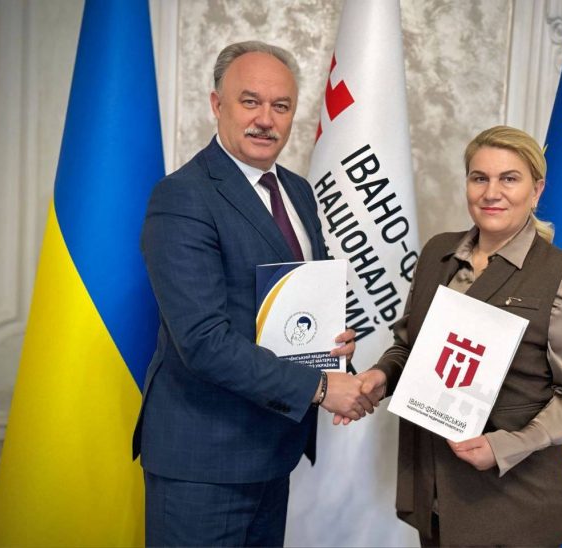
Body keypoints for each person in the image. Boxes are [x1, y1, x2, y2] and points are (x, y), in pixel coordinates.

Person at [133, 41, 375, 547]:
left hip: (272, 449)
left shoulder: (298, 191)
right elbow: (203, 342)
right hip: (203, 460)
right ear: (217, 104)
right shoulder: (183, 196)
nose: (266, 119)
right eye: (250, 102)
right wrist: (321, 388)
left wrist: (333, 344)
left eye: (280, 106)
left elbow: (301, 301)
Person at [351, 126, 562, 546]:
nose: (492, 192)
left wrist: (508, 445)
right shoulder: (438, 253)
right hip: (433, 495)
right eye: (479, 178)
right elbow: (409, 346)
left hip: (513, 507)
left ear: (536, 190)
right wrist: (383, 375)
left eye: (509, 178)